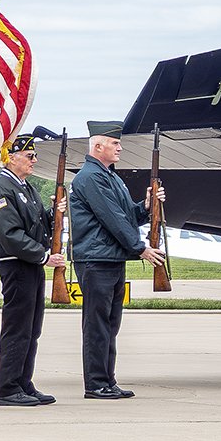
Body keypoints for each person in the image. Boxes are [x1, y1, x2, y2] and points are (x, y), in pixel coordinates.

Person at [69, 121, 166, 400]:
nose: (119, 147)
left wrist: (146, 207)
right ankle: (96, 383)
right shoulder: (90, 177)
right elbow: (111, 218)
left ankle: (107, 380)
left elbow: (126, 215)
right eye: (115, 143)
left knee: (110, 324)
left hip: (110, 259)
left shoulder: (109, 177)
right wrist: (140, 248)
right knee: (98, 324)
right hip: (96, 260)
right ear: (98, 146)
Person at [0, 133, 66, 407]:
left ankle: (23, 382)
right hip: (17, 264)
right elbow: (10, 233)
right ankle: (8, 387)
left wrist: (54, 213)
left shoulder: (24, 188)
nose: (34, 160)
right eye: (29, 156)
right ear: (11, 157)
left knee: (31, 328)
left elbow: (34, 225)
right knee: (17, 327)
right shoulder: (1, 189)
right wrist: (43, 256)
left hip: (30, 265)